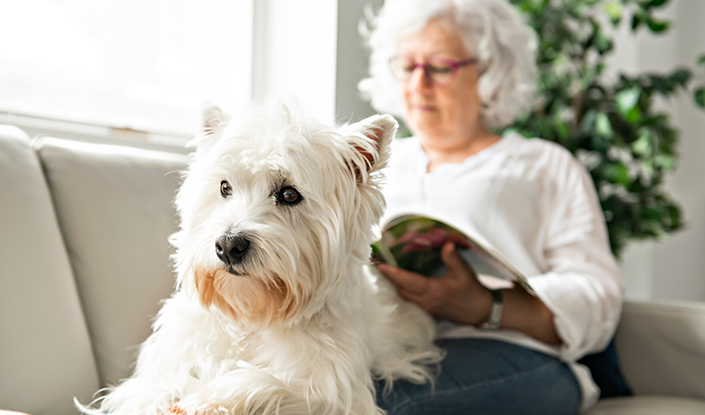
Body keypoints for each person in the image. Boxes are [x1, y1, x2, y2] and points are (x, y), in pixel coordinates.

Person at [358, 0, 624, 414]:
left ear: (488, 72)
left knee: (378, 405)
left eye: (439, 67)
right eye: (408, 66)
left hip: (514, 352)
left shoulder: (543, 165)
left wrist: (486, 304)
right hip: (384, 340)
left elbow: (597, 294)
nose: (418, 84)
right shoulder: (373, 164)